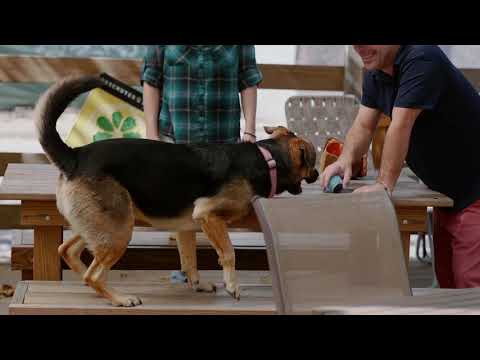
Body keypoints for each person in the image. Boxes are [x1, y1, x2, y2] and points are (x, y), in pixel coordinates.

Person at [321, 45, 480, 289]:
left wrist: (384, 184)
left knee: (470, 287)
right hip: (447, 196)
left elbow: (401, 123)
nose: (358, 47)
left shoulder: (422, 58)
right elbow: (364, 125)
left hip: (475, 192)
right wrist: (345, 159)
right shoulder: (376, 69)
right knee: (448, 285)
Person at [141, 45, 263, 285]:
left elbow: (248, 79)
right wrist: (151, 135)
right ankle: (188, 271)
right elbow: (151, 79)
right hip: (176, 135)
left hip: (224, 139)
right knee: (183, 201)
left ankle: (227, 269)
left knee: (222, 203)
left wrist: (250, 129)